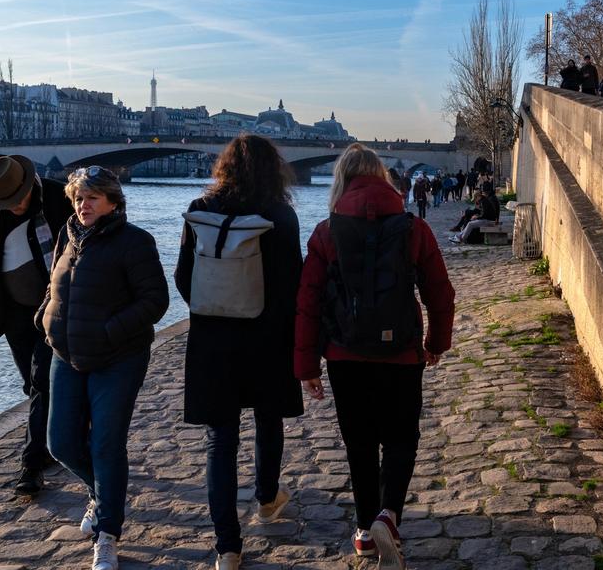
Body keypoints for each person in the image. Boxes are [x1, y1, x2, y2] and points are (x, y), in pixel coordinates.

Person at [295, 144, 455, 569]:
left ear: (341, 180)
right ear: (383, 178)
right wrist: (436, 342)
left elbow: (308, 303)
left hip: (344, 355)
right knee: (402, 437)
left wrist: (307, 366)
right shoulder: (413, 228)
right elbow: (440, 293)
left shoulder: (326, 232)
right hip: (401, 353)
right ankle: (389, 514)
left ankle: (365, 532)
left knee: (359, 443)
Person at [174, 135, 304, 570]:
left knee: (220, 441)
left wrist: (216, 307)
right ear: (273, 170)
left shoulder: (201, 210)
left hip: (213, 340)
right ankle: (267, 499)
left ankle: (227, 547)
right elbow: (294, 283)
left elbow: (183, 278)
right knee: (268, 420)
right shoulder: (280, 216)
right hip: (267, 336)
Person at [37, 166, 169, 570]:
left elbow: (155, 301)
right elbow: (54, 283)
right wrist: (45, 317)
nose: (83, 204)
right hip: (67, 352)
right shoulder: (67, 234)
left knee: (106, 444)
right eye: (78, 198)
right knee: (60, 443)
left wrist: (110, 331)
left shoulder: (135, 242)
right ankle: (102, 493)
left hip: (117, 358)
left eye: (92, 197)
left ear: (113, 201)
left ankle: (108, 533)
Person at [0, 154, 72, 496]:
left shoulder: (59, 198)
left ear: (29, 186)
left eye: (18, 198)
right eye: (6, 201)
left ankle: (31, 465)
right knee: (32, 386)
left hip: (55, 308)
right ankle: (53, 443)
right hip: (11, 312)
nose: (15, 206)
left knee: (42, 384)